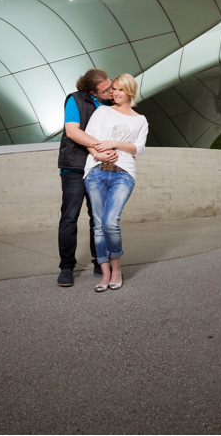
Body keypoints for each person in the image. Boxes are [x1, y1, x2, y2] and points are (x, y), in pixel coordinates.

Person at [82, 74, 149, 292]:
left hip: (123, 173)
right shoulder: (102, 111)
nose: (115, 93)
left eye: (120, 90)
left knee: (111, 222)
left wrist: (115, 143)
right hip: (96, 170)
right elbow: (89, 138)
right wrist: (98, 155)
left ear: (130, 91)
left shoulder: (140, 120)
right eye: (114, 89)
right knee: (99, 224)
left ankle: (117, 269)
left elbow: (138, 148)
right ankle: (105, 273)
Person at [56, 68, 115, 287]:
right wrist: (99, 147)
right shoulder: (74, 99)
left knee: (98, 218)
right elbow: (72, 132)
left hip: (100, 166)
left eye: (110, 85)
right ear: (92, 91)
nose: (111, 90)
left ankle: (101, 262)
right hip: (74, 167)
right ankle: (66, 268)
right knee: (69, 217)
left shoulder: (110, 102)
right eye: (105, 89)